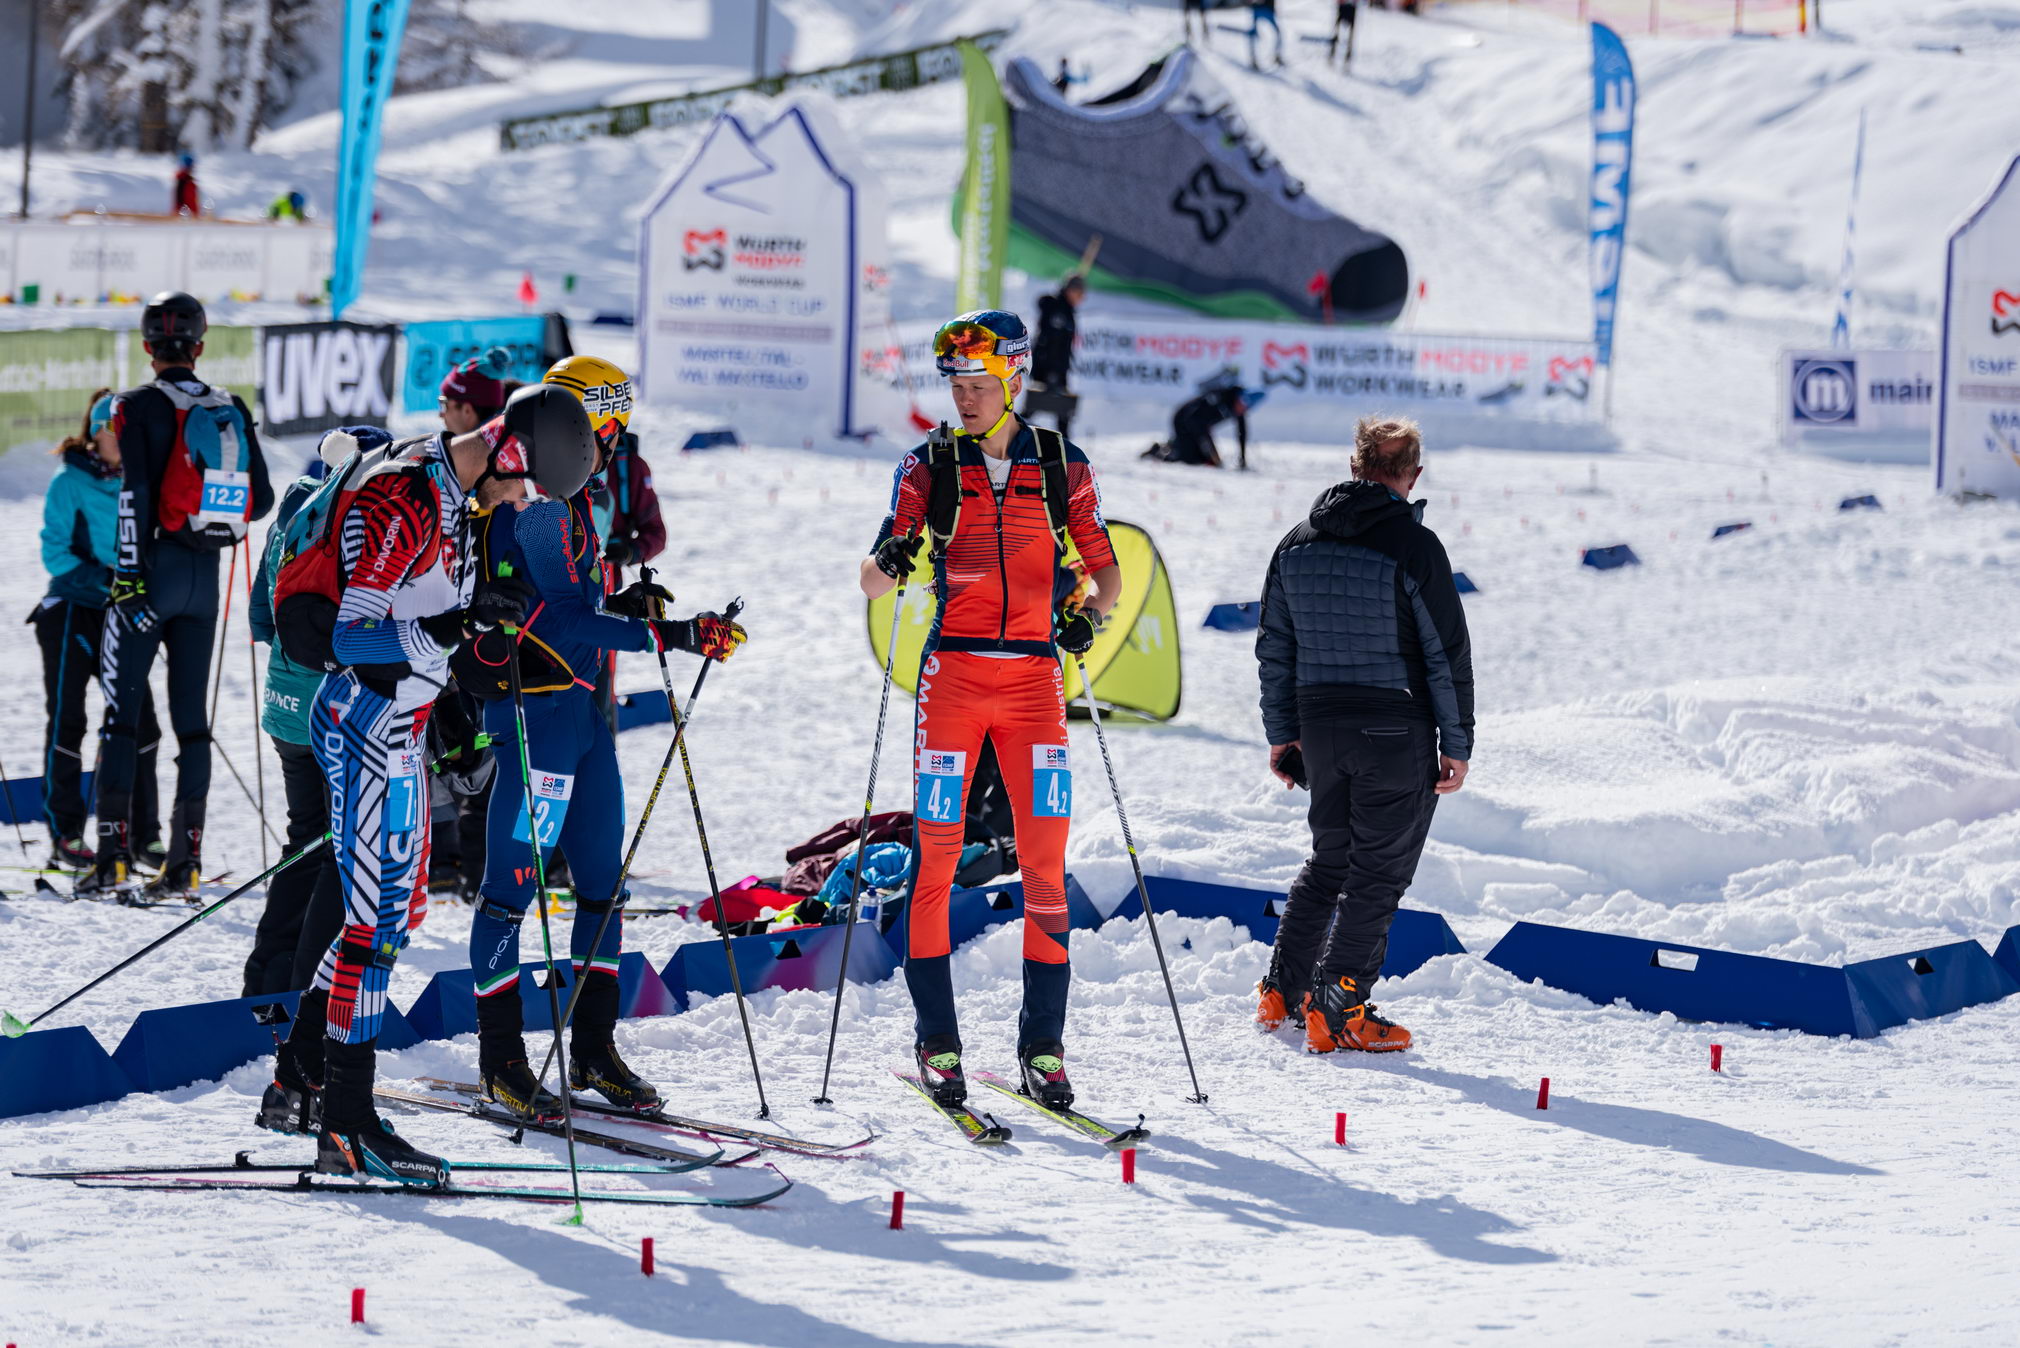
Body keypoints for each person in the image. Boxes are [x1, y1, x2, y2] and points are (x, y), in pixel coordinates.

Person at [257, 384, 597, 1186]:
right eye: (524, 486)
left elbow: (430, 629)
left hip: (404, 728)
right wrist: (457, 622)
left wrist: (466, 665)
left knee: (385, 922)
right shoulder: (406, 496)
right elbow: (354, 634)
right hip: (363, 723)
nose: (522, 503)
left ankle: (303, 1084)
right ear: (507, 456)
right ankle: (346, 1125)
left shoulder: (457, 502)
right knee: (372, 931)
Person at [458, 357, 744, 1119]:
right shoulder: (533, 509)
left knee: (602, 883)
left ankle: (592, 1049)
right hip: (538, 720)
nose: (610, 445)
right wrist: (669, 631)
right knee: (510, 892)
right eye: (603, 428)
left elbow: (581, 597)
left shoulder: (572, 505)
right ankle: (502, 1062)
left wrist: (629, 599)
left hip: (585, 721)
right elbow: (555, 619)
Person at [859, 308, 1120, 1110]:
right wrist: (893, 558)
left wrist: (1087, 615)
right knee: (936, 864)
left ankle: (1043, 1049)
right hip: (954, 684)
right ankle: (938, 1043)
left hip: (1036, 686)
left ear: (1012, 379)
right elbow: (871, 580)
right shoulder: (927, 463)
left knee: (1045, 864)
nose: (964, 399)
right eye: (955, 385)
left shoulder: (1060, 462)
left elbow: (1105, 576)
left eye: (977, 384)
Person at [1253, 415, 1472, 1054]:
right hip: (1393, 729)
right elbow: (1446, 654)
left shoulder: (1296, 542)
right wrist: (1456, 743)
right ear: (1414, 474)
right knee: (1376, 875)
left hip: (1320, 727)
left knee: (1330, 862)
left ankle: (1283, 990)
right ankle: (1340, 1009)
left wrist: (1282, 732)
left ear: (1355, 467)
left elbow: (1275, 648)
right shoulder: (1415, 546)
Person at [80, 291, 273, 899]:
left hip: (149, 573)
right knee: (193, 724)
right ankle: (185, 863)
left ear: (147, 347)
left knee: (120, 717)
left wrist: (130, 577)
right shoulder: (228, 406)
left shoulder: (133, 405)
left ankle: (111, 857)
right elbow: (260, 501)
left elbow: (135, 493)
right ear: (200, 345)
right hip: (203, 577)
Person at [241, 427, 389, 997]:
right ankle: (307, 989)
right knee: (336, 849)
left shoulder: (297, 508)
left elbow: (260, 613)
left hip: (284, 702)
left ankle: (269, 976)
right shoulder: (359, 521)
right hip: (330, 710)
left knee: (307, 835)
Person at [32, 390, 161, 873]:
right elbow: (56, 555)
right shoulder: (70, 480)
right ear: (97, 432)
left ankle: (145, 837)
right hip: (73, 611)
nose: (122, 443)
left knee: (140, 725)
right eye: (115, 433)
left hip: (121, 616)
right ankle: (65, 834)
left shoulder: (138, 482)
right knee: (70, 721)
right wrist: (110, 581)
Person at [1022, 275, 1084, 440]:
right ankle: (1015, 433)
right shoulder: (1056, 308)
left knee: (1062, 410)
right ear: (1070, 290)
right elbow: (1050, 342)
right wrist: (1052, 371)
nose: (1081, 298)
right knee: (1036, 405)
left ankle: (1064, 442)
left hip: (1059, 367)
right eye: (1079, 293)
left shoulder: (1067, 310)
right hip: (1049, 367)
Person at [1148, 381, 1263, 469]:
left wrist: (1242, 458)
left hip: (1197, 424)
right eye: (1241, 403)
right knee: (1191, 459)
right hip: (1182, 419)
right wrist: (1213, 456)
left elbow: (1241, 433)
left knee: (1201, 459)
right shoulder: (1222, 398)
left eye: (1246, 407)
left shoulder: (1239, 408)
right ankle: (1157, 451)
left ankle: (1171, 446)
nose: (1241, 408)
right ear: (1239, 397)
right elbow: (1200, 425)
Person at [1248, 0, 1284, 69]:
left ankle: (1254, 59)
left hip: (1259, 9)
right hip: (1265, 9)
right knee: (1277, 33)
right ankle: (1276, 56)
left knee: (1254, 35)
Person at [1331, 0, 1359, 66]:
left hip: (1352, 7)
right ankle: (1332, 53)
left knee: (1350, 34)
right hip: (1343, 6)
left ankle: (1347, 56)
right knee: (1337, 31)